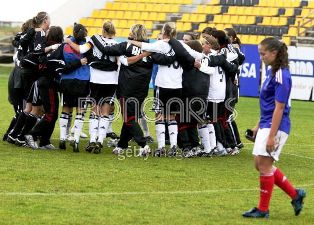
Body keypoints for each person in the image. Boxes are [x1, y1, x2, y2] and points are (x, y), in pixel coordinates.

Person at [242, 37, 306, 218]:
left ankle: (263, 210)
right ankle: (295, 194)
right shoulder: (272, 71)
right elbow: (268, 104)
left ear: (274, 53)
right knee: (260, 163)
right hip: (267, 123)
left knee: (264, 165)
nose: (260, 57)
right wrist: (258, 125)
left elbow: (279, 108)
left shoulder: (282, 75)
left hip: (276, 126)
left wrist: (271, 136)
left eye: (263, 53)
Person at [65, 21, 119, 154]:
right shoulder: (117, 44)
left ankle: (93, 140)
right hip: (111, 79)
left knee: (95, 110)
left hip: (96, 78)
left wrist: (68, 41)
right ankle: (100, 140)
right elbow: (119, 62)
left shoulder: (94, 40)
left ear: (103, 30)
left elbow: (81, 49)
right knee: (105, 110)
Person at [58, 23, 90, 152]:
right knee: (80, 110)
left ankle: (62, 138)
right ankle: (76, 140)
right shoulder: (88, 46)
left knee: (66, 108)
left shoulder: (65, 45)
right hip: (83, 80)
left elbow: (61, 64)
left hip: (67, 80)